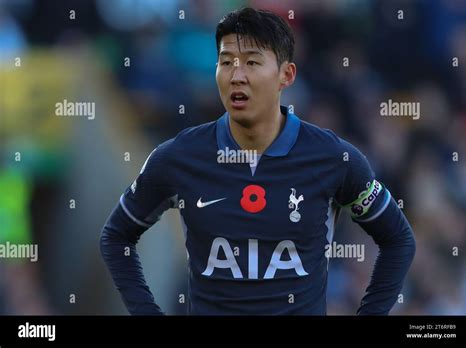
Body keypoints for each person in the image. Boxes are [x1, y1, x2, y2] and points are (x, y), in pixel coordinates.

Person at [100, 7, 416, 315]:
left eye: (252, 62)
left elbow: (398, 239)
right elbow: (116, 236)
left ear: (286, 75)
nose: (237, 76)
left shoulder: (335, 158)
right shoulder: (178, 157)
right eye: (226, 62)